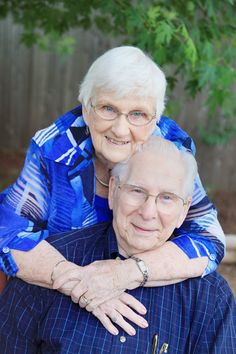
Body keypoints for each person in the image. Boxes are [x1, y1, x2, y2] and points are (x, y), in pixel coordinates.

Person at [0, 46, 225, 330]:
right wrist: (83, 285)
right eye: (108, 108)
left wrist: (125, 274)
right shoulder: (55, 149)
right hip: (62, 307)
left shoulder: (171, 151)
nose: (120, 129)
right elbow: (8, 234)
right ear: (86, 107)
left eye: (137, 114)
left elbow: (209, 240)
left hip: (150, 298)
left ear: (155, 118)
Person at [0, 136, 235, 354]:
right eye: (136, 191)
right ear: (112, 192)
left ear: (184, 210)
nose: (148, 212)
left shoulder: (210, 297)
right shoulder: (45, 267)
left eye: (166, 198)